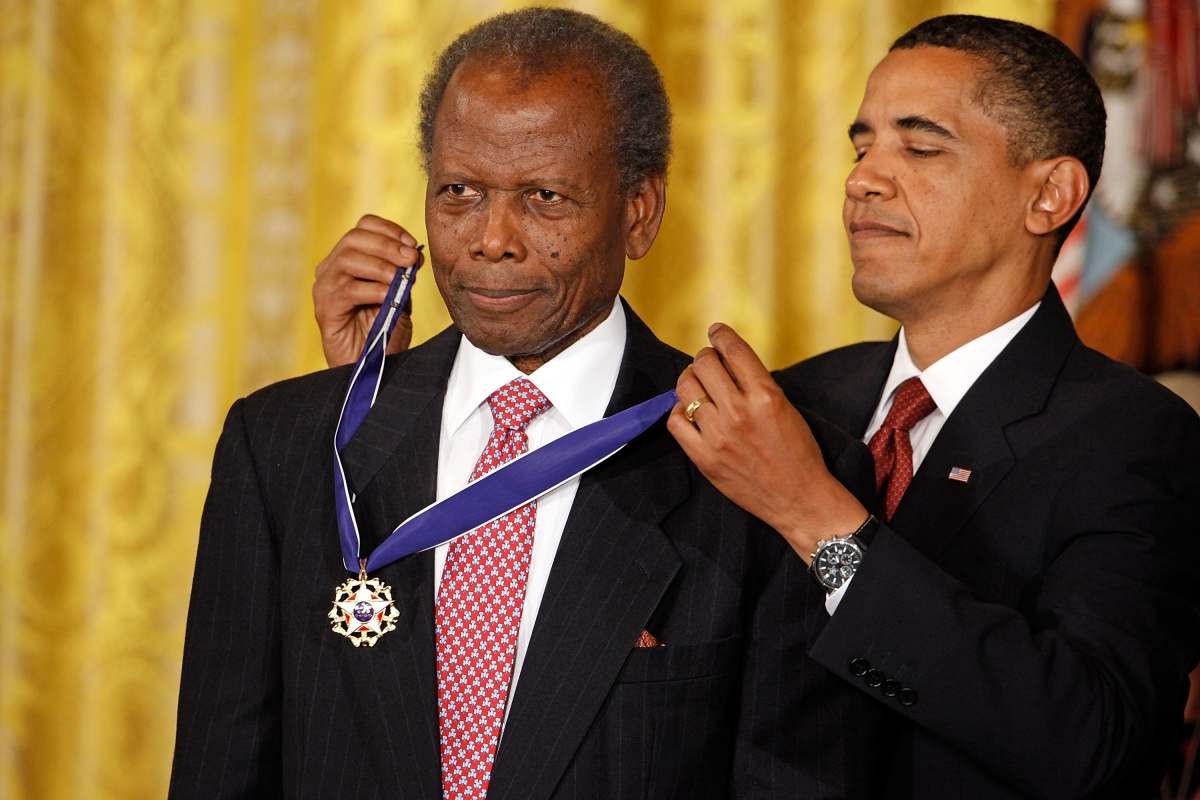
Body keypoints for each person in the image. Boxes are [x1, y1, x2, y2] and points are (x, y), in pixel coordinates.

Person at [171, 8, 884, 799]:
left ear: (638, 213)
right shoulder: (286, 447)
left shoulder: (761, 469)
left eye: (544, 196)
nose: (491, 238)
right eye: (459, 192)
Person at [667, 15, 1200, 799]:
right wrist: (414, 385)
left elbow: (1085, 738)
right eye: (861, 147)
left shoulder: (1135, 437)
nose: (863, 180)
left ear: (1049, 195)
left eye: (920, 148)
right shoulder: (793, 401)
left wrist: (814, 515)